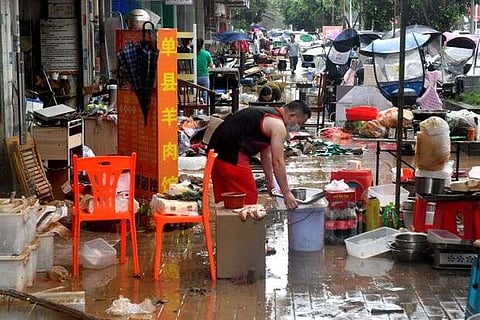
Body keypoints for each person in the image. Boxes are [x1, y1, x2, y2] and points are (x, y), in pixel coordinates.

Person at [207, 100, 311, 211]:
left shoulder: (269, 116)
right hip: (231, 154)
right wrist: (286, 193)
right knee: (248, 199)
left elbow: (266, 154)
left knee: (229, 199)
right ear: (292, 115)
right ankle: (242, 228)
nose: (297, 128)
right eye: (299, 124)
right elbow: (278, 162)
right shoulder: (278, 125)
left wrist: (270, 181)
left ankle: (229, 227)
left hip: (216, 152)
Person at [196, 38, 214, 104]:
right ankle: (206, 109)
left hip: (194, 77)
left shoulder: (192, 53)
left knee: (196, 94)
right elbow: (211, 66)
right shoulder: (207, 54)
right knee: (205, 94)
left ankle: (195, 109)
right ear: (202, 45)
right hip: (204, 77)